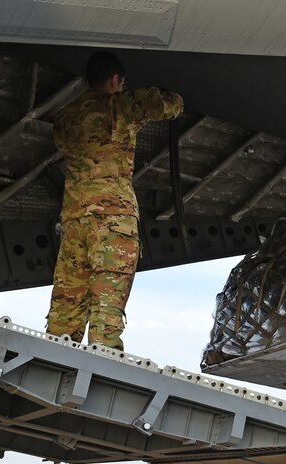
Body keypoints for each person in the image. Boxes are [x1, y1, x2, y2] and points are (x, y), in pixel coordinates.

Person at [46, 50, 184, 350]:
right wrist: (176, 96)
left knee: (67, 299)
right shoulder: (118, 107)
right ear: (115, 80)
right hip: (112, 216)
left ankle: (52, 354)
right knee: (108, 295)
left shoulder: (66, 117)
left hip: (74, 218)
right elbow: (165, 105)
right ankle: (103, 358)